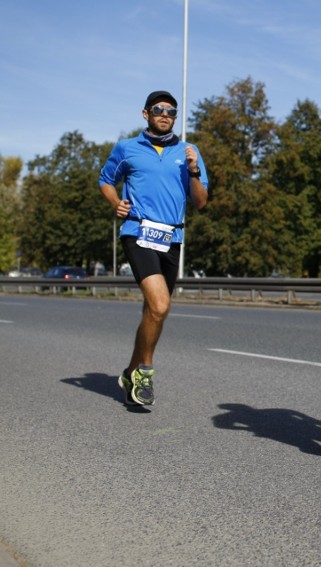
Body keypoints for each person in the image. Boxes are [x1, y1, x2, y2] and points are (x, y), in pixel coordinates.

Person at [99, 90, 209, 406]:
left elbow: (200, 202)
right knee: (160, 305)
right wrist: (115, 203)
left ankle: (130, 371)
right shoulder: (127, 148)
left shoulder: (189, 151)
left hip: (172, 238)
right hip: (138, 231)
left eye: (171, 111)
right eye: (159, 110)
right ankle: (145, 372)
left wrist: (193, 170)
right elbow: (106, 180)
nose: (165, 115)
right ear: (145, 114)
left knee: (154, 312)